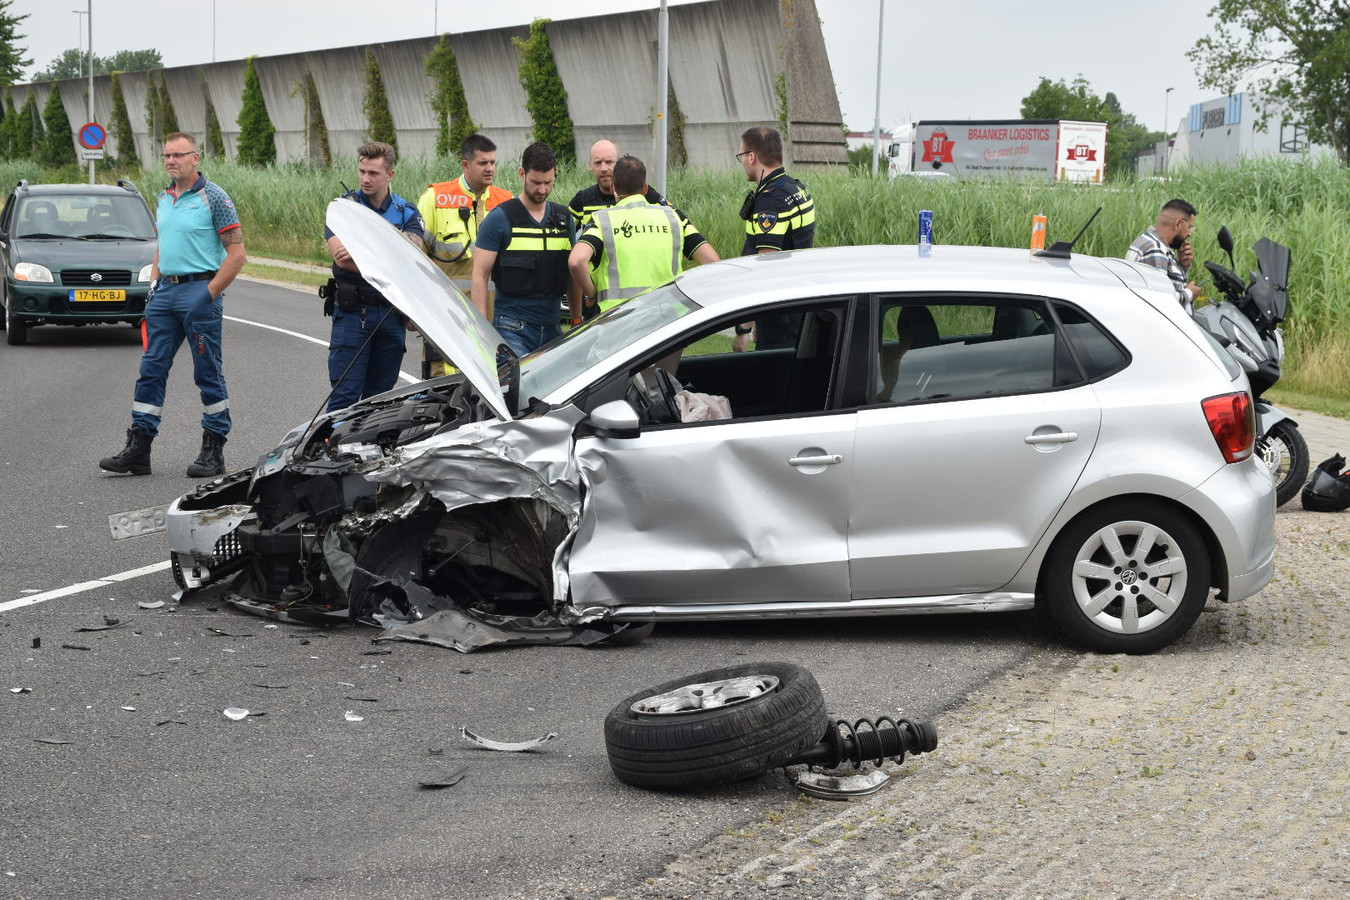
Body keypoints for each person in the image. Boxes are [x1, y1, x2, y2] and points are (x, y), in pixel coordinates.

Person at [99, 132, 246, 478]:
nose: (170, 161)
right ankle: (139, 448)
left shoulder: (215, 197)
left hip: (199, 292)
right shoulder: (163, 197)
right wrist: (153, 284)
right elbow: (164, 245)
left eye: (178, 155)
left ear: (196, 158)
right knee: (151, 370)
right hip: (165, 294)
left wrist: (207, 294)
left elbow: (237, 255)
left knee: (207, 373)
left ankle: (214, 449)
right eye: (166, 155)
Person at [322, 141, 426, 412]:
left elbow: (412, 258)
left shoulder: (408, 212)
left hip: (391, 315)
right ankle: (332, 452)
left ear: (390, 174)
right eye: (362, 171)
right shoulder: (343, 209)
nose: (365, 179)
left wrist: (364, 251)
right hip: (353, 312)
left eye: (373, 173)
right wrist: (393, 252)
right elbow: (342, 259)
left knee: (380, 399)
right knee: (345, 396)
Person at [568, 155, 718, 316]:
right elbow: (712, 262)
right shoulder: (674, 217)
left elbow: (576, 261)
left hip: (618, 320)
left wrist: (590, 295)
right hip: (668, 320)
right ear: (646, 188)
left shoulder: (603, 221)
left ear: (613, 187)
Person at [470, 142, 579, 356]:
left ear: (555, 174)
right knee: (517, 388)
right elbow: (479, 275)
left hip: (553, 328)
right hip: (512, 329)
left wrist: (576, 319)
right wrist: (482, 329)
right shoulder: (500, 219)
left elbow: (573, 275)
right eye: (535, 182)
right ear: (522, 174)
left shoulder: (565, 219)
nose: (542, 189)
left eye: (548, 182)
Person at [418, 134, 513, 374]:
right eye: (483, 163)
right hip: (448, 315)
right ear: (465, 165)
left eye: (492, 162)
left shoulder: (507, 201)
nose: (490, 168)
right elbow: (415, 259)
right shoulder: (436, 199)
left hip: (496, 319)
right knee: (444, 387)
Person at [734, 126, 816, 351]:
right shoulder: (796, 188)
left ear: (752, 157)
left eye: (741, 155)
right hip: (794, 304)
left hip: (780, 313)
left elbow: (766, 267)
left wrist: (744, 328)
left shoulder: (771, 200)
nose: (741, 161)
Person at [567, 138, 669, 228]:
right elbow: (562, 234)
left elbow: (676, 218)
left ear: (619, 163)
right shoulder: (582, 200)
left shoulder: (644, 194)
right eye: (598, 163)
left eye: (609, 162)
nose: (603, 168)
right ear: (590, 165)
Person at [1127, 198, 1201, 312]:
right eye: (1190, 227)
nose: (1190, 234)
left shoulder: (1151, 243)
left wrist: (1183, 266)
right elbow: (1160, 301)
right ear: (1178, 224)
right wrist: (1190, 293)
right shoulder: (1156, 250)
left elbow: (1167, 288)